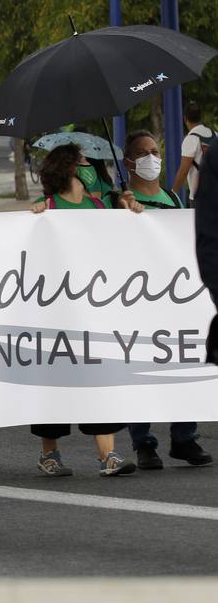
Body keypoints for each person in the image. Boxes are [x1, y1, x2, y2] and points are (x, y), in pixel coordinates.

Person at [28, 143, 141, 477]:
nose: (90, 167)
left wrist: (127, 208)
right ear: (69, 168)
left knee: (98, 377)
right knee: (55, 381)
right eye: (83, 161)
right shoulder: (47, 207)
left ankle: (108, 455)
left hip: (93, 309)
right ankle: (49, 454)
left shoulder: (98, 205)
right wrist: (33, 218)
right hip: (56, 311)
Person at [110, 132, 212, 468]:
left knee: (183, 364)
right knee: (142, 368)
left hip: (174, 297)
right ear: (128, 161)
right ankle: (144, 443)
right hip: (137, 299)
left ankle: (185, 437)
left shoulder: (172, 198)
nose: (151, 158)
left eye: (155, 152)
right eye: (143, 153)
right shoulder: (119, 201)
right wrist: (122, 209)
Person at [172, 102, 214, 205]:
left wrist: (172, 194)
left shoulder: (191, 139)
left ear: (185, 119)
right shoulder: (215, 135)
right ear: (201, 117)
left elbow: (183, 171)